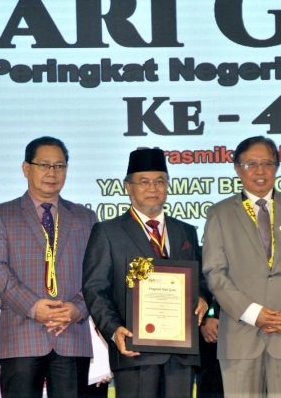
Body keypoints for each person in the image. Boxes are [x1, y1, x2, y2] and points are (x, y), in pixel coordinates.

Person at [202, 136, 281, 397]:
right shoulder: (219, 214)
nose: (260, 171)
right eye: (251, 164)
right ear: (237, 168)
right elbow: (214, 272)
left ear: (277, 167)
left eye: (267, 163)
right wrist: (252, 312)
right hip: (240, 334)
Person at [82, 147, 209, 398]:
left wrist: (203, 298)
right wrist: (113, 329)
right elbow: (95, 288)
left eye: (160, 181)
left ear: (168, 186)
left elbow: (201, 278)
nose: (153, 188)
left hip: (181, 353)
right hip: (134, 349)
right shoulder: (107, 232)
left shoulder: (185, 231)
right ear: (128, 187)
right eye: (144, 182)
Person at [0, 136, 97, 398]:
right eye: (44, 165)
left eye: (59, 166)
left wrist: (78, 308)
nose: (52, 173)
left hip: (71, 335)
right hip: (22, 336)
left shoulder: (85, 218)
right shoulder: (2, 215)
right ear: (26, 168)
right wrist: (33, 307)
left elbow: (97, 274)